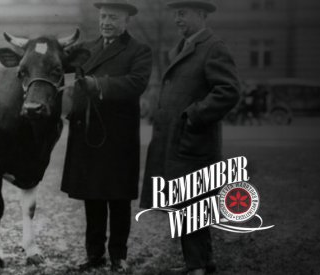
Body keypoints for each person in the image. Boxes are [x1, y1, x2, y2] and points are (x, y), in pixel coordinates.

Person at [140, 1, 240, 274]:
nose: (177, 20)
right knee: (188, 203)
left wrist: (193, 115)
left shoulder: (213, 47)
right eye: (175, 14)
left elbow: (229, 91)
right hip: (179, 142)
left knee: (193, 204)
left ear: (202, 14)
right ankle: (203, 263)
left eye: (182, 14)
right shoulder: (186, 47)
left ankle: (197, 266)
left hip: (194, 141)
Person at [61, 0, 152, 272]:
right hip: (88, 132)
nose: (106, 22)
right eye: (103, 17)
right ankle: (94, 254)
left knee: (118, 198)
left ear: (126, 21)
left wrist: (98, 84)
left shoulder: (139, 50)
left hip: (118, 137)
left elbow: (136, 83)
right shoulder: (86, 48)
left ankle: (118, 255)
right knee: (93, 196)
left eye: (112, 17)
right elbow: (60, 66)